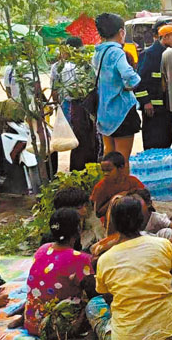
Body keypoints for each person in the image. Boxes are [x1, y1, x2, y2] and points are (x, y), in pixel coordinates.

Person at [86, 197, 172, 340]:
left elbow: (109, 299)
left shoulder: (104, 260)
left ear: (113, 223)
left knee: (93, 305)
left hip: (128, 336)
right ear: (141, 219)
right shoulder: (162, 244)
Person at [24, 208, 95, 337]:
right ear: (78, 230)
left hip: (32, 323)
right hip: (55, 329)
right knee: (98, 302)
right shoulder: (80, 258)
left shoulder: (42, 249)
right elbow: (93, 292)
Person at [93, 13, 142, 163]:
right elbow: (129, 75)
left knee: (109, 155)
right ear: (121, 32)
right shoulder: (116, 52)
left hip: (104, 111)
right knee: (122, 159)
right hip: (121, 111)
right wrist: (131, 84)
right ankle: (121, 186)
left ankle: (108, 185)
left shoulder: (98, 52)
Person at [52, 37, 100, 171]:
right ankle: (86, 169)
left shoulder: (60, 66)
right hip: (81, 107)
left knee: (81, 140)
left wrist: (58, 109)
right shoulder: (86, 64)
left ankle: (80, 170)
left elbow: (55, 91)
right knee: (86, 139)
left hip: (75, 107)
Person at [135, 23, 172, 149]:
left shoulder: (169, 53)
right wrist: (146, 102)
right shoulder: (150, 54)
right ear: (165, 37)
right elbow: (139, 82)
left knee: (166, 142)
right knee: (154, 143)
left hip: (166, 108)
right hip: (153, 110)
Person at [91, 151, 145, 221]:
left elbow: (145, 196)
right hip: (112, 221)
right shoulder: (101, 187)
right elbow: (98, 213)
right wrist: (115, 199)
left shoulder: (132, 181)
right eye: (103, 171)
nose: (105, 174)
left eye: (109, 170)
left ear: (121, 168)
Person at [50, 186, 103, 251]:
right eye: (79, 207)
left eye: (85, 205)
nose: (84, 210)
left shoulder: (94, 226)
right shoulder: (55, 238)